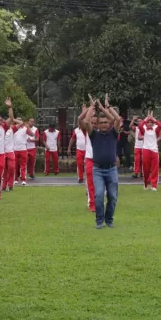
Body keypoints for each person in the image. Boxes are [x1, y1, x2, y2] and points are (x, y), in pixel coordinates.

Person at [79, 94, 121, 229]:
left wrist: (105, 108)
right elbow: (85, 122)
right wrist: (92, 107)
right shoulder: (94, 134)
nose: (103, 124)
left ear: (108, 124)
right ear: (97, 124)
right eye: (101, 123)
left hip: (112, 169)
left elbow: (117, 119)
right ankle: (99, 221)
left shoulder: (113, 133)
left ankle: (109, 220)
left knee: (113, 197)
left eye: (105, 122)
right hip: (98, 170)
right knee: (98, 196)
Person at [138, 111, 161, 191]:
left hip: (154, 150)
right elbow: (140, 125)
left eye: (151, 122)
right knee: (145, 168)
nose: (149, 123)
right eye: (148, 122)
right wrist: (147, 118)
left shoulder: (155, 129)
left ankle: (154, 185)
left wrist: (153, 118)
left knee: (155, 168)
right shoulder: (144, 129)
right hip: (146, 150)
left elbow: (160, 125)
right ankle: (145, 184)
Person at [68, 108, 88, 184]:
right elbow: (72, 140)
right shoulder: (76, 130)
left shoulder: (86, 129)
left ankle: (87, 176)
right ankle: (80, 177)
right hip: (79, 149)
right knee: (79, 164)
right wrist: (69, 148)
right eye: (78, 123)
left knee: (87, 164)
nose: (79, 124)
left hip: (87, 150)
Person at [2, 101, 17, 193]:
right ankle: (4, 186)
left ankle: (10, 185)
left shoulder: (12, 129)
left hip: (10, 151)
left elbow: (12, 119)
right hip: (2, 152)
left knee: (11, 168)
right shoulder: (0, 129)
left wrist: (10, 107)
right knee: (4, 171)